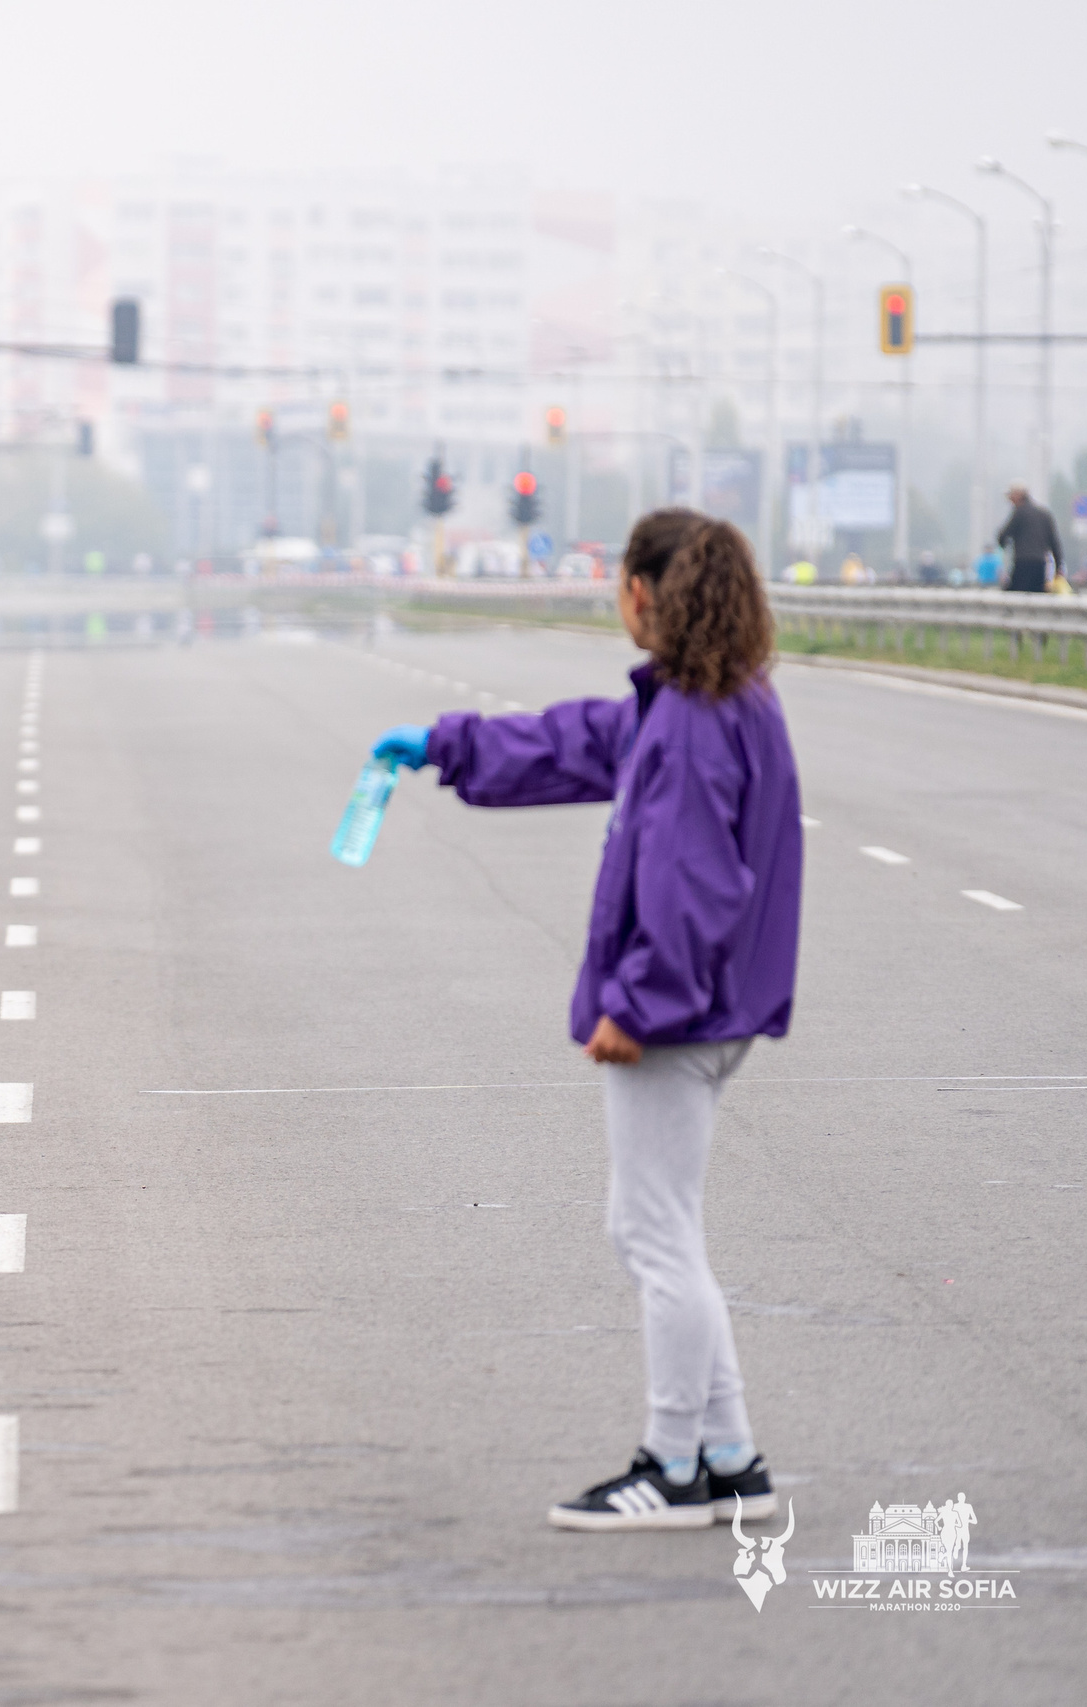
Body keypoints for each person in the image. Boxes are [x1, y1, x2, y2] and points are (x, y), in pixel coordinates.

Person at [366, 509, 801, 1532]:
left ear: (646, 594)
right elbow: (569, 742)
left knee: (650, 1233)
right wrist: (444, 744)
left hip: (681, 1012)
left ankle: (671, 1466)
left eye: (619, 584)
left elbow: (692, 887)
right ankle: (730, 1456)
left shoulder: (692, 723)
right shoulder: (708, 703)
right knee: (666, 1229)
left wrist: (636, 1008)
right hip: (714, 1004)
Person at [997, 483, 1061, 593]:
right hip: (1040, 564)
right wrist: (1059, 565)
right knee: (1037, 598)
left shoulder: (1019, 512)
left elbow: (1003, 536)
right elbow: (1054, 542)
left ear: (1018, 495)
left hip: (1022, 563)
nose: (1010, 500)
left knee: (1015, 596)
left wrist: (1002, 544)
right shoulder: (1044, 514)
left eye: (1011, 496)